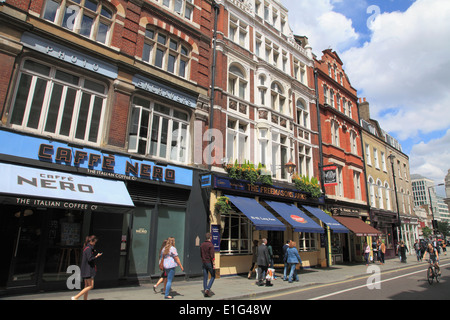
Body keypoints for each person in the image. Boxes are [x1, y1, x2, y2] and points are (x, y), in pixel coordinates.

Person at [71, 235, 102, 300]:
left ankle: (85, 299)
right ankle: (76, 297)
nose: (94, 244)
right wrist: (96, 256)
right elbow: (90, 259)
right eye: (94, 242)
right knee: (91, 286)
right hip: (88, 270)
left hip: (85, 269)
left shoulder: (86, 247)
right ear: (91, 241)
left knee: (86, 286)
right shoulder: (88, 249)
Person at [200, 232, 215, 297]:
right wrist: (214, 264)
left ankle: (205, 289)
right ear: (210, 237)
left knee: (205, 277)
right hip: (209, 262)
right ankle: (208, 289)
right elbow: (212, 255)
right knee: (213, 276)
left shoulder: (202, 245)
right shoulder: (210, 245)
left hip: (204, 262)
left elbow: (201, 254)